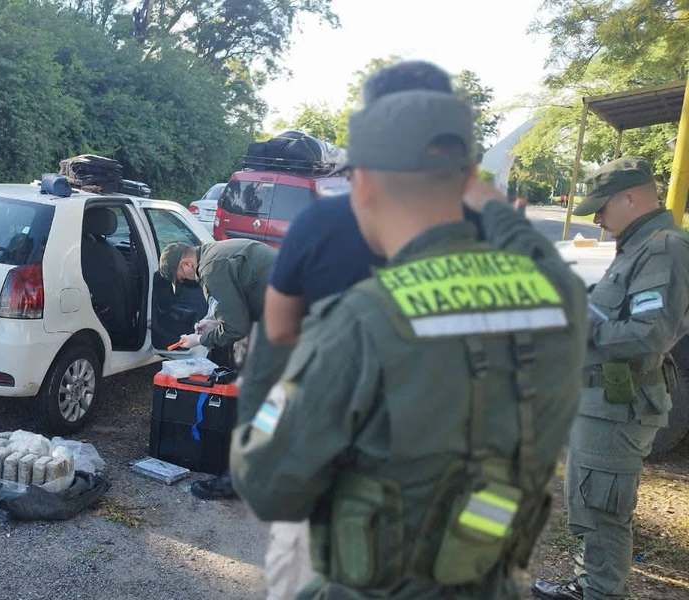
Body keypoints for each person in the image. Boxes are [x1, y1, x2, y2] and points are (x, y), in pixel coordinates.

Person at [231, 78, 588, 599]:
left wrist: (267, 357)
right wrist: (489, 202)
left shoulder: (358, 320)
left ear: (364, 184)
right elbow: (532, 247)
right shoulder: (559, 295)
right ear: (467, 176)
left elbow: (267, 487)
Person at [532, 157, 689, 600]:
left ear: (631, 197)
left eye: (602, 207)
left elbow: (650, 333)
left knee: (603, 509)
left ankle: (601, 592)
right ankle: (589, 585)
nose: (597, 218)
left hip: (621, 403)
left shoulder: (663, 248)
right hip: (602, 398)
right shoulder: (639, 246)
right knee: (587, 502)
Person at [157, 237, 288, 500]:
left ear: (185, 263)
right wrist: (213, 323)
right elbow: (240, 303)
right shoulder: (215, 252)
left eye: (180, 278)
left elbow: (236, 327)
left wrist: (200, 339)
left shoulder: (210, 269)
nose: (185, 282)